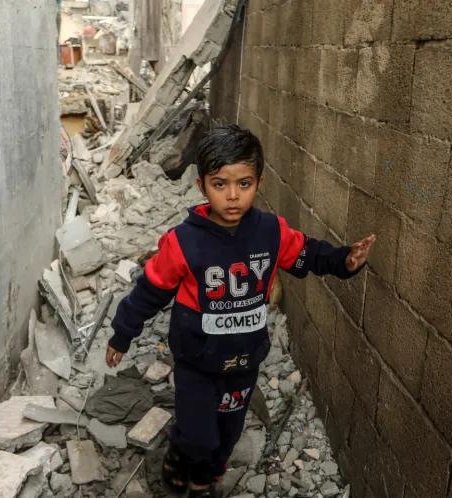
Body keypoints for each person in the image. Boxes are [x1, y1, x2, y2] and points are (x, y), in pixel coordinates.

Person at [105, 126, 376, 498]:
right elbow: (148, 292)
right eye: (220, 184)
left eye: (244, 184)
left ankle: (202, 484)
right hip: (196, 360)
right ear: (202, 186)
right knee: (198, 434)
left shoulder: (269, 231)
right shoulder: (183, 242)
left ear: (259, 182)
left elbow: (308, 253)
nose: (232, 196)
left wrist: (344, 260)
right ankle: (178, 456)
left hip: (244, 360)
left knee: (227, 434)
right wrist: (122, 333)